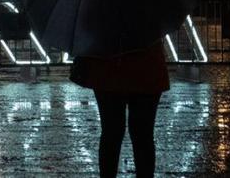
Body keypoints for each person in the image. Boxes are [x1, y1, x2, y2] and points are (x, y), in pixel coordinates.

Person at [70, 41, 169, 177]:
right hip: (146, 67)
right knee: (143, 135)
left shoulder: (103, 20)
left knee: (111, 132)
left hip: (108, 66)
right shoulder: (150, 21)